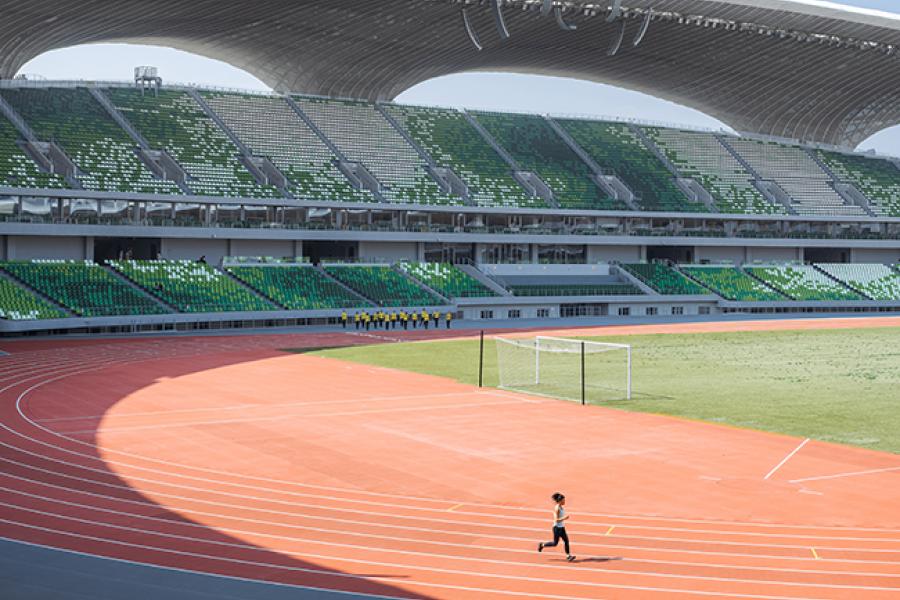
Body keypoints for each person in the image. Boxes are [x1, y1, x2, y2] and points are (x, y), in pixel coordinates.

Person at [538, 492, 575, 562]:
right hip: (557, 528)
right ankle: (542, 545)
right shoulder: (557, 508)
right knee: (555, 543)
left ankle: (568, 556)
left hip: (562, 527)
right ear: (560, 501)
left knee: (566, 541)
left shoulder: (561, 507)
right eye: (563, 500)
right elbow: (556, 520)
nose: (564, 501)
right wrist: (565, 518)